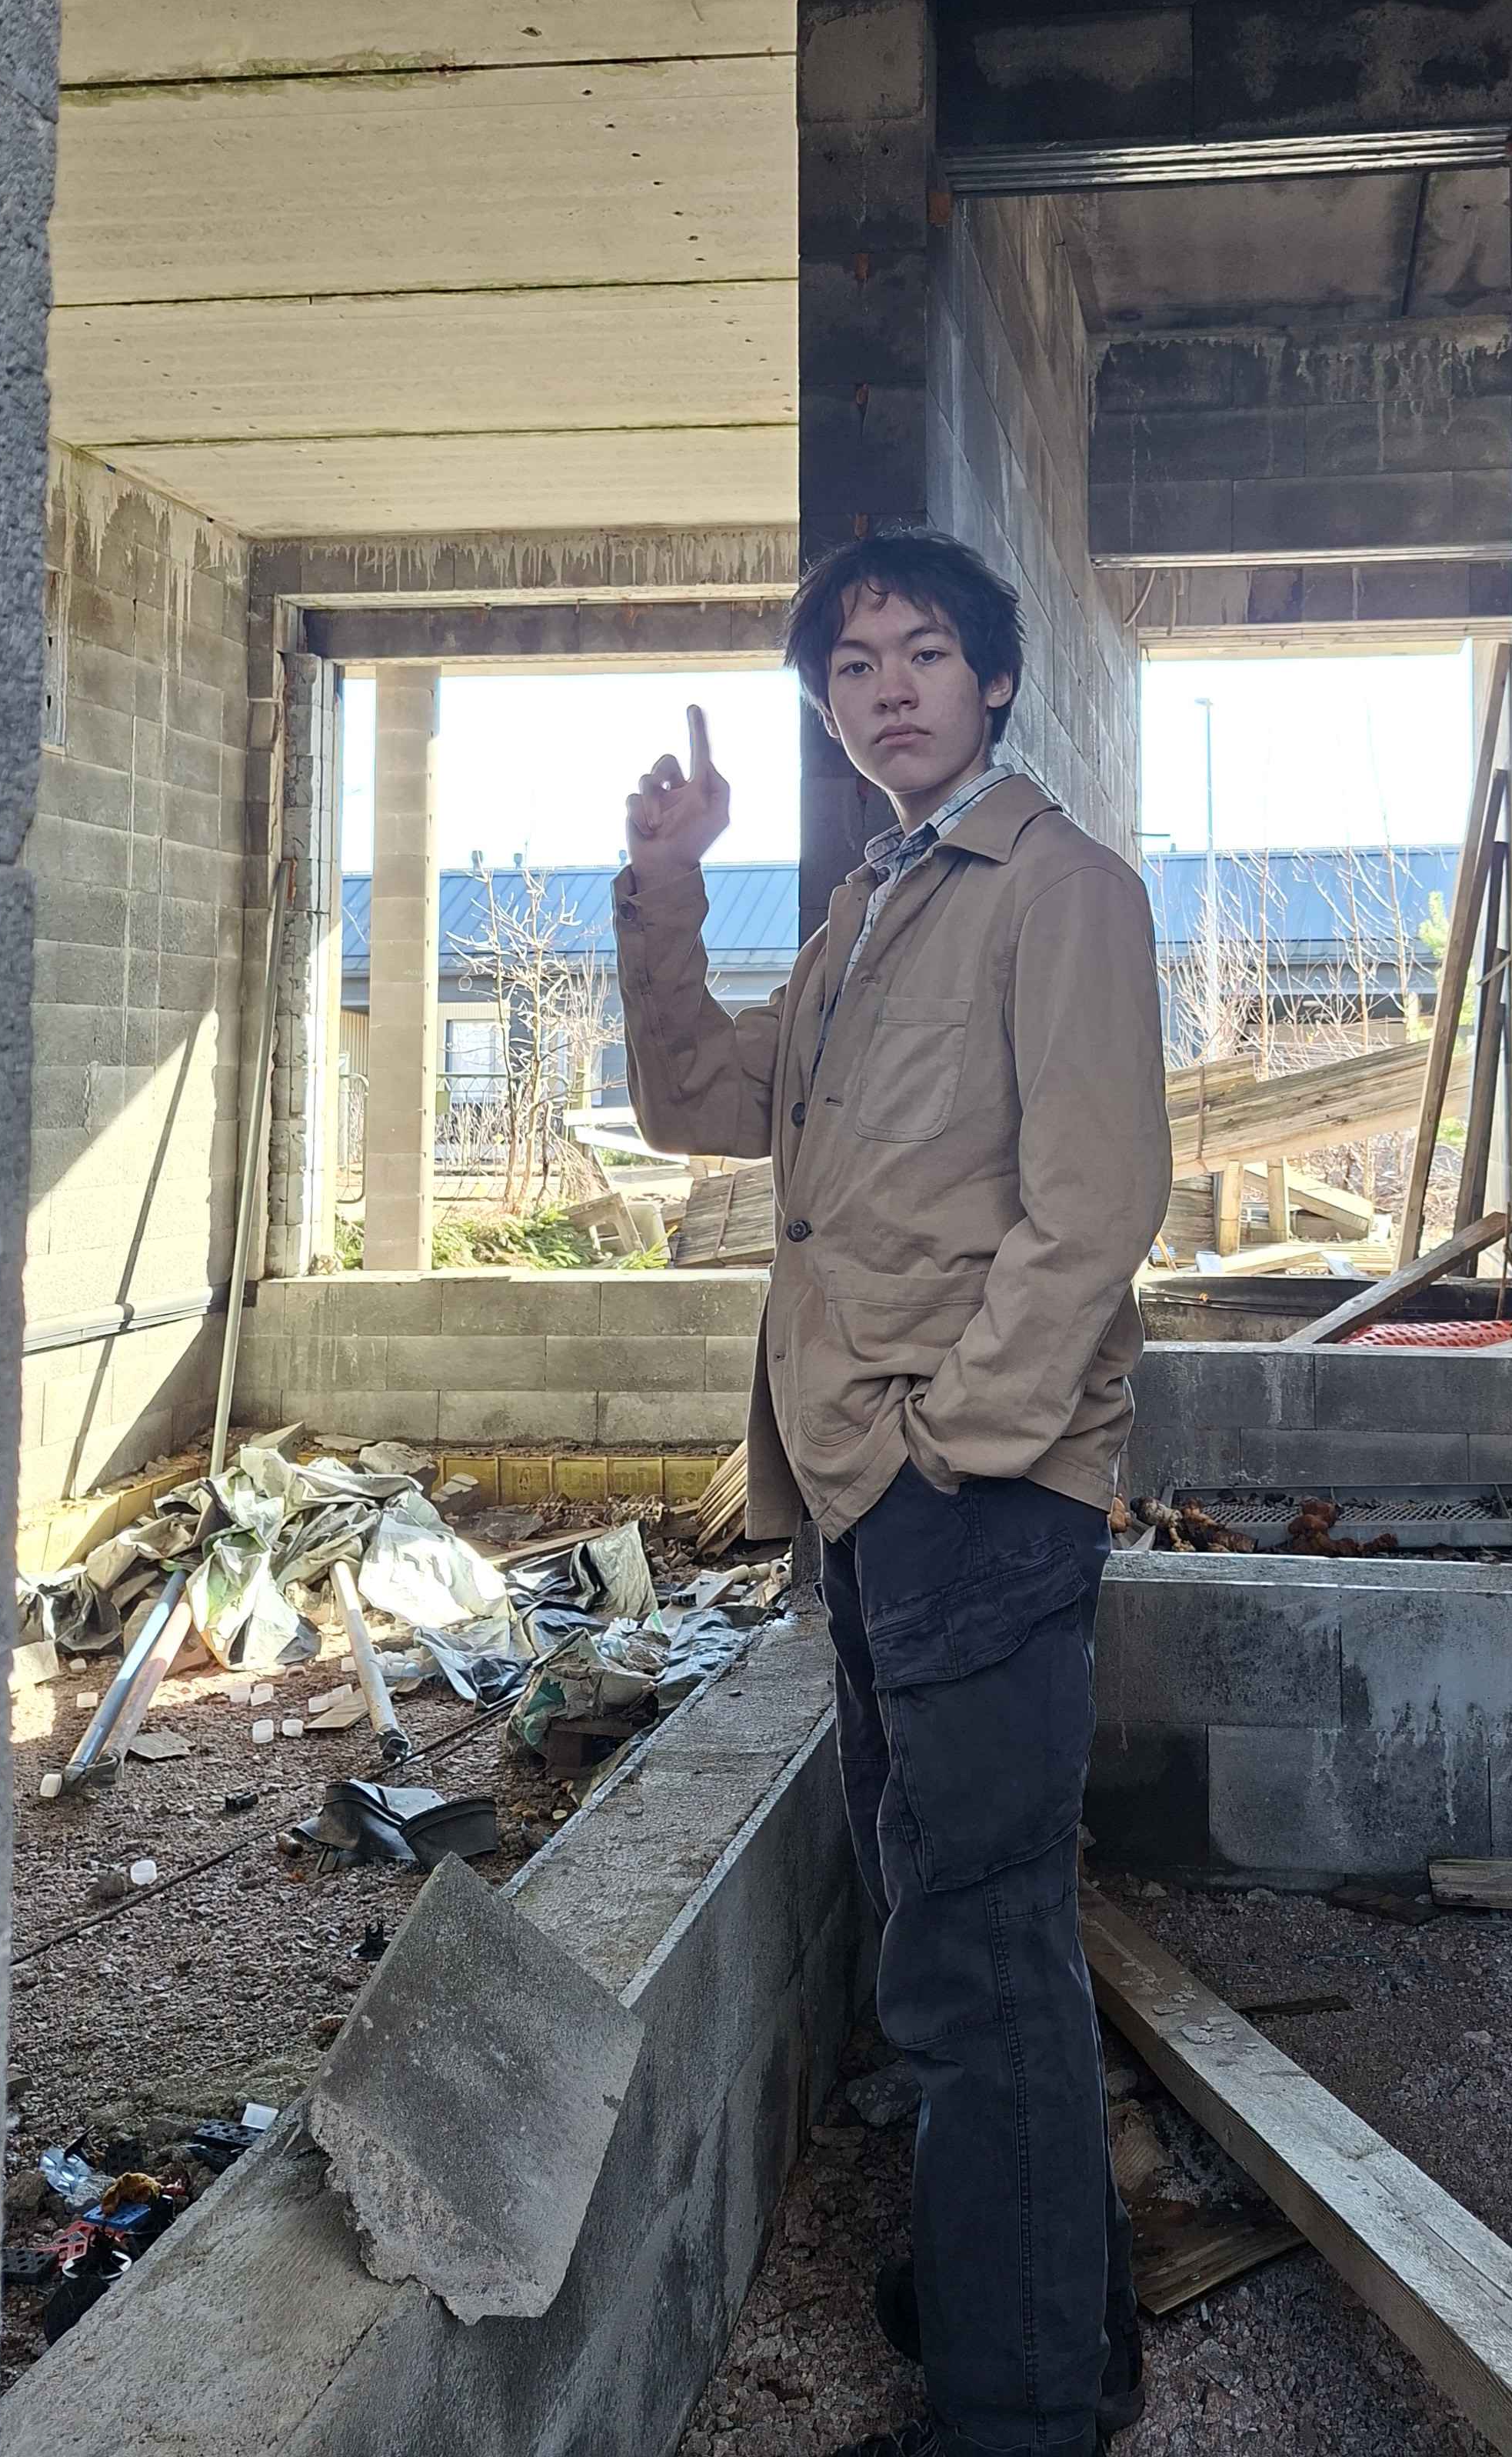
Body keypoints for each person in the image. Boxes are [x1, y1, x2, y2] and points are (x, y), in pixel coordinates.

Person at [614, 528, 1172, 2457]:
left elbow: (1097, 1201)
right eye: (851, 668)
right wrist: (667, 884)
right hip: (867, 1479)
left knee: (973, 1946)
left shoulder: (1060, 890)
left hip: (969, 1485)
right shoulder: (867, 907)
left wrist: (957, 1437)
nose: (887, 688)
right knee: (953, 1912)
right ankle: (1048, 2315)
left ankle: (1016, 2411)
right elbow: (700, 1102)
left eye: (923, 652)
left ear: (994, 678)